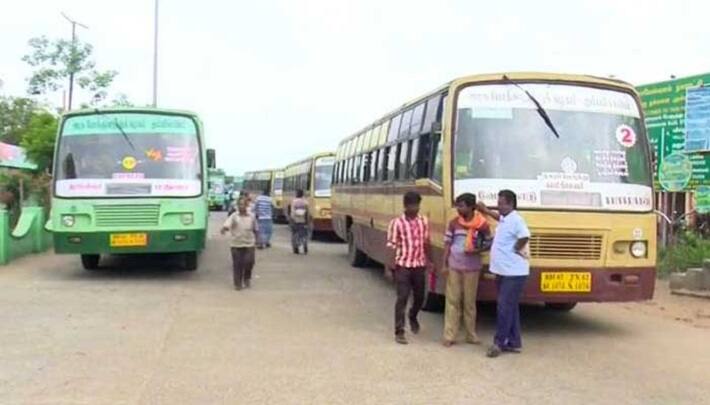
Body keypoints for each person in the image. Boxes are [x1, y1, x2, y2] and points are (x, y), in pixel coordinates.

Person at [476, 190, 531, 358]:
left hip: (513, 273)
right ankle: (514, 341)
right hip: (503, 270)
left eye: (501, 203)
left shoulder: (516, 220)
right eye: (498, 203)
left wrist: (515, 248)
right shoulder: (505, 219)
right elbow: (498, 217)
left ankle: (499, 343)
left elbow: (525, 236)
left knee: (504, 307)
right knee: (511, 307)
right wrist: (485, 211)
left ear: (510, 204)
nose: (499, 207)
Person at [441, 193, 491, 347]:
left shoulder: (482, 224)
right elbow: (448, 244)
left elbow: (489, 243)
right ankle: (450, 335)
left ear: (470, 207)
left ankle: (471, 334)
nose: (458, 209)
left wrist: (475, 252)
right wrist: (444, 264)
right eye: (457, 205)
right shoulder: (454, 223)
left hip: (472, 267)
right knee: (452, 301)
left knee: (469, 303)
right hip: (455, 265)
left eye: (461, 206)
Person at [386, 191, 433, 345]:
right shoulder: (397, 223)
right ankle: (399, 331)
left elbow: (426, 242)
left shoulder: (424, 221)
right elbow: (391, 245)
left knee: (420, 297)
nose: (415, 208)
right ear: (406, 206)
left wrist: (430, 261)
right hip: (403, 265)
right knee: (402, 297)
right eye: (412, 205)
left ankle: (413, 315)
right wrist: (389, 265)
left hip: (419, 265)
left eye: (417, 205)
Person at [221, 197, 259, 290]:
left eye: (243, 204)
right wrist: (224, 229)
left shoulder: (251, 216)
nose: (241, 206)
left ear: (247, 205)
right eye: (240, 204)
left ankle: (247, 278)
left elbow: (256, 229)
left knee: (249, 262)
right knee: (238, 264)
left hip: (249, 243)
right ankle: (237, 283)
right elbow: (227, 225)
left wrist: (258, 240)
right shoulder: (234, 216)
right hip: (236, 244)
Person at [289, 189, 310, 255]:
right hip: (303, 221)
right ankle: (305, 247)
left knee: (295, 234)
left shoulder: (294, 202)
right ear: (302, 194)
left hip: (295, 220)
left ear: (297, 194)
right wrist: (307, 222)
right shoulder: (305, 202)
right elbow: (307, 213)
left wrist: (291, 220)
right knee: (304, 235)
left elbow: (292, 213)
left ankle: (296, 249)